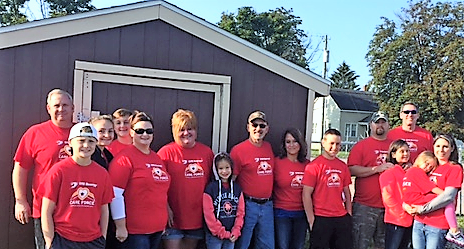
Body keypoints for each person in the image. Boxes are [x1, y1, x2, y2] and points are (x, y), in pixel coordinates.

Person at [12, 89, 74, 249]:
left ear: (73, 107)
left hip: (77, 209)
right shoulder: (35, 133)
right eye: (57, 105)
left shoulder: (82, 133)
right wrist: (20, 200)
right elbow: (20, 167)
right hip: (45, 208)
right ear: (48, 108)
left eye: (65, 105)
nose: (61, 109)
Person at [41, 123, 114, 249]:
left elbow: (104, 209)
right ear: (70, 143)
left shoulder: (102, 174)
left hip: (93, 240)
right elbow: (46, 210)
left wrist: (103, 237)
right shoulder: (58, 170)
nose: (86, 145)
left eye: (91, 141)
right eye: (81, 140)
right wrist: (50, 241)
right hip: (63, 238)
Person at [108, 112, 171, 249]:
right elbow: (115, 195)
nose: (145, 134)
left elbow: (160, 191)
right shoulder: (124, 159)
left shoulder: (156, 158)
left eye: (149, 131)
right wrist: (120, 226)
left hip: (157, 229)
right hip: (134, 233)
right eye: (139, 131)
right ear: (131, 133)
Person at [158, 109, 214, 249]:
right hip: (173, 218)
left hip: (197, 218)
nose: (186, 133)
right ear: (174, 131)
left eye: (190, 129)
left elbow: (213, 184)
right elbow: (156, 186)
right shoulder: (165, 153)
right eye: (181, 129)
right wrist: (165, 208)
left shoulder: (207, 153)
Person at [403, 134, 464, 249]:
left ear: (452, 148)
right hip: (419, 221)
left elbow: (448, 197)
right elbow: (413, 187)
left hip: (437, 224)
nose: (441, 150)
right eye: (438, 146)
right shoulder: (430, 166)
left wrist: (422, 209)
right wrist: (406, 205)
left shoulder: (454, 168)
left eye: (445, 146)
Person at [347, 111, 394, 249]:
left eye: (383, 122)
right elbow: (351, 170)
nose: (380, 125)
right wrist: (376, 169)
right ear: (370, 125)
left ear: (388, 125)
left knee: (385, 245)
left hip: (389, 208)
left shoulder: (394, 147)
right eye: (377, 122)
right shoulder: (361, 146)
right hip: (364, 206)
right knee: (360, 244)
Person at [230, 110, 275, 249]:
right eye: (254, 125)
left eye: (262, 126)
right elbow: (231, 181)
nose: (258, 129)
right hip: (248, 205)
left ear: (267, 129)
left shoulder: (268, 148)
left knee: (267, 245)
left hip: (267, 205)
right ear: (248, 127)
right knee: (243, 244)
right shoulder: (238, 150)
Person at [302, 128, 352, 249]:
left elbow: (347, 191)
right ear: (323, 143)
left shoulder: (342, 166)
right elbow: (306, 194)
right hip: (321, 218)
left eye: (338, 144)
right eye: (331, 143)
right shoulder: (313, 166)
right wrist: (311, 220)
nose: (334, 147)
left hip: (341, 218)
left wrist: (349, 213)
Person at [273, 128, 310, 249]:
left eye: (295, 141)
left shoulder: (308, 165)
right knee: (283, 246)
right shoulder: (276, 163)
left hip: (301, 213)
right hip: (282, 213)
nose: (291, 145)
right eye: (288, 142)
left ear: (300, 143)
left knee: (298, 246)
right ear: (284, 145)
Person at [203, 152, 245, 249]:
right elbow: (208, 214)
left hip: (231, 235)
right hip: (215, 235)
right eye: (221, 168)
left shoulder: (237, 188)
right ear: (215, 170)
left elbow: (241, 212)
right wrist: (221, 232)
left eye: (227, 168)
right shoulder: (210, 189)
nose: (224, 171)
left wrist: (236, 230)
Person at [89, 115, 118, 249]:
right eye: (101, 131)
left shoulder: (108, 155)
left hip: (105, 208)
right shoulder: (89, 155)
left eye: (110, 131)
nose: (107, 135)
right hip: (91, 210)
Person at [379, 139, 413, 249]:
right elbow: (388, 198)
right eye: (402, 151)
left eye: (407, 151)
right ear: (393, 154)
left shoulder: (410, 172)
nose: (405, 154)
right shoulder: (388, 173)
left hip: (410, 220)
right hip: (396, 220)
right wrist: (402, 213)